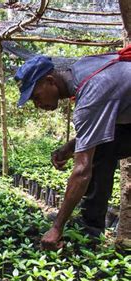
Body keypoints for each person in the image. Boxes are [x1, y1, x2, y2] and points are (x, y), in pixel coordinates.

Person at [14, 49, 131, 250]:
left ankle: (90, 227)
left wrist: (56, 228)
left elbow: (81, 172)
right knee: (103, 147)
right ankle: (90, 223)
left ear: (50, 81)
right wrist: (69, 148)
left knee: (100, 152)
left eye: (36, 96)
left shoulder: (89, 97)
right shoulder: (81, 69)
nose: (37, 104)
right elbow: (101, 127)